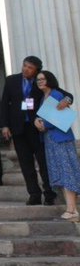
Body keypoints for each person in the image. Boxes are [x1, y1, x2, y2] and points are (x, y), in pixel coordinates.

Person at [0, 55, 55, 205]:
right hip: (18, 127)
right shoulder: (12, 80)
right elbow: (5, 103)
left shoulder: (41, 81)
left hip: (37, 128)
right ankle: (34, 194)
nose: (26, 69)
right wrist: (4, 125)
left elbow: (57, 92)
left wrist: (66, 100)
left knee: (44, 162)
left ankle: (49, 193)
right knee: (25, 163)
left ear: (37, 70)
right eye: (25, 66)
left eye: (30, 68)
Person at [33, 71, 80, 221]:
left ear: (49, 80)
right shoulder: (42, 98)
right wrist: (37, 121)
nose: (40, 81)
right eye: (38, 79)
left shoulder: (57, 94)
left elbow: (58, 118)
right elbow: (42, 116)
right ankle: (71, 208)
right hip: (50, 140)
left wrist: (43, 124)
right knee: (60, 172)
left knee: (67, 171)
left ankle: (72, 210)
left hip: (61, 139)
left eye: (42, 79)